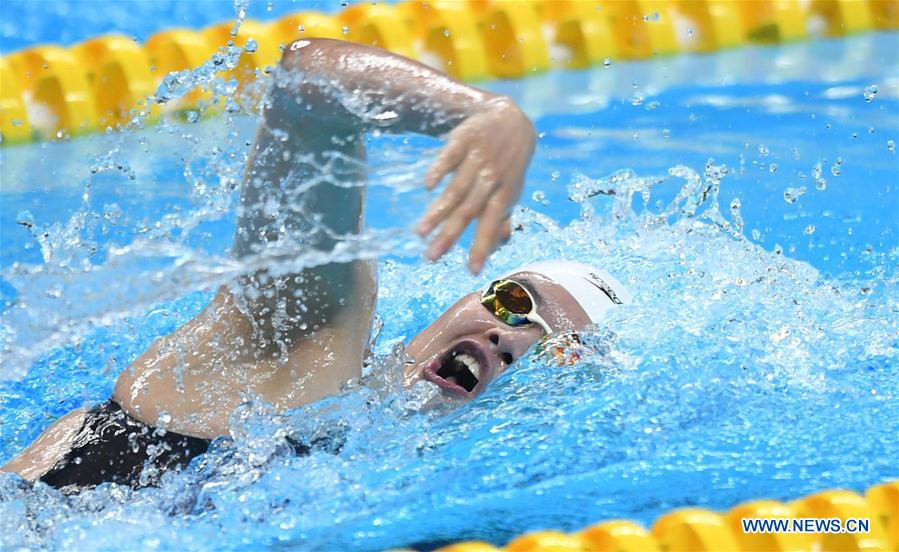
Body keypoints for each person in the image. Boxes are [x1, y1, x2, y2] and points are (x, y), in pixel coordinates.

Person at [1, 39, 629, 493]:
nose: (509, 335)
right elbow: (309, 85)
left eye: (552, 349)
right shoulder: (308, 345)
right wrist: (484, 112)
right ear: (467, 301)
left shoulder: (397, 482)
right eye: (515, 303)